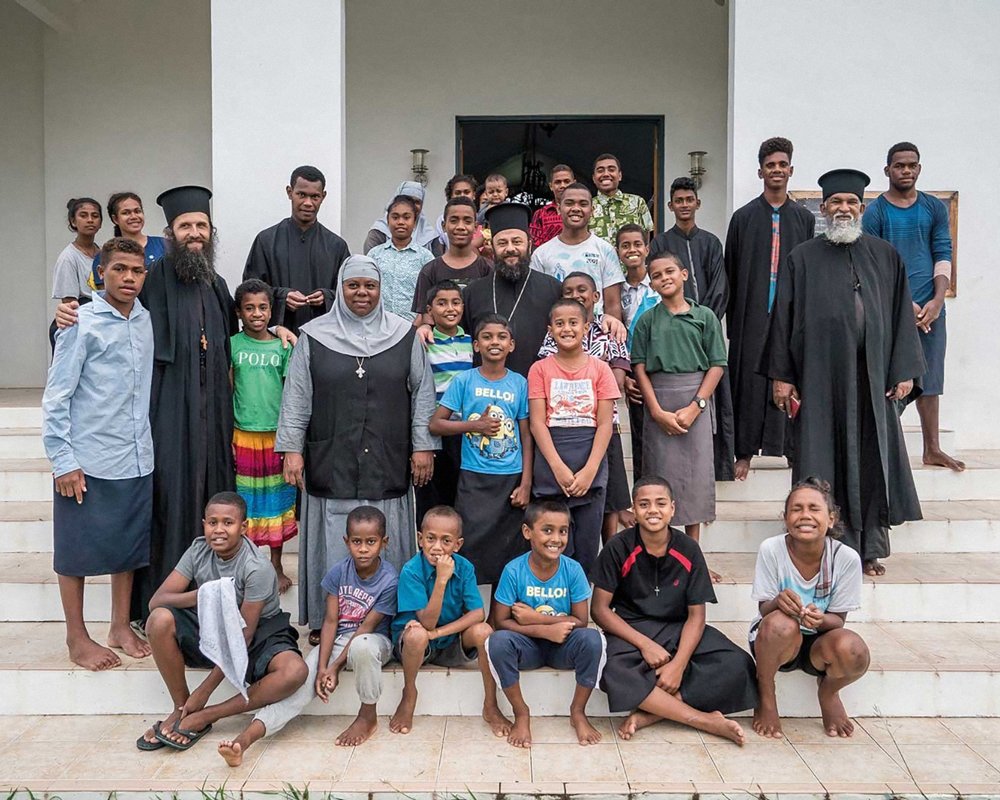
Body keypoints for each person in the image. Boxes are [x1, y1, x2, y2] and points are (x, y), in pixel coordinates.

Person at [53, 185, 294, 626]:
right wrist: (65, 315)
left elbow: (243, 331)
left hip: (216, 416)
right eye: (186, 226)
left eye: (202, 225)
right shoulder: (151, 280)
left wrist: (277, 329)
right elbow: (107, 312)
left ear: (211, 232)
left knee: (213, 499)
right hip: (166, 415)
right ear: (172, 232)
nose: (195, 233)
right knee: (169, 501)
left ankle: (217, 598)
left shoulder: (218, 285)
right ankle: (159, 603)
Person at [765, 168, 925, 577]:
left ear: (862, 208)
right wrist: (782, 375)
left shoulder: (885, 256)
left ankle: (867, 548)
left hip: (871, 383)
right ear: (823, 208)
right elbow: (783, 317)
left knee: (870, 462)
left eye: (851, 202)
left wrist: (904, 370)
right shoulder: (802, 258)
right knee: (821, 460)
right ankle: (819, 547)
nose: (843, 208)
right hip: (820, 380)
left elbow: (900, 318)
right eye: (836, 202)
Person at [277, 255, 438, 642]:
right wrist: (292, 450)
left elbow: (423, 393)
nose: (362, 293)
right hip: (332, 456)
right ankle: (325, 620)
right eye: (353, 285)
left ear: (380, 290)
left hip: (389, 455)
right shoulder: (314, 336)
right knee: (335, 541)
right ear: (341, 289)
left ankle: (388, 619)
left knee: (386, 539)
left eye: (370, 286)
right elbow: (297, 396)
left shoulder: (403, 335)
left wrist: (423, 446)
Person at [42, 238, 153, 670]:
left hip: (136, 454)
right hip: (87, 458)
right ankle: (76, 637)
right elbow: (56, 397)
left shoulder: (145, 320)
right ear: (99, 273)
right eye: (119, 269)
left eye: (137, 271)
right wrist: (63, 460)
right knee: (77, 550)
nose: (128, 278)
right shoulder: (80, 323)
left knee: (126, 545)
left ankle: (120, 624)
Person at [217, 505, 399, 765]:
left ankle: (367, 716)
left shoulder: (389, 579)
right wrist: (323, 666)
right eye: (357, 542)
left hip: (374, 644)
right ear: (346, 542)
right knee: (302, 685)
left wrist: (334, 667)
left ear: (384, 543)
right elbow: (330, 621)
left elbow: (366, 628)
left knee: (362, 645)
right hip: (338, 642)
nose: (363, 549)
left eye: (371, 542)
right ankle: (244, 741)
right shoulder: (339, 572)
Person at [590, 477, 758, 745]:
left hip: (678, 628)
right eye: (644, 504)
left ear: (672, 508)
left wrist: (678, 665)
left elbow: (697, 616)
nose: (652, 510)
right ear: (633, 509)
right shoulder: (618, 547)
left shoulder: (689, 549)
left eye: (660, 504)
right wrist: (645, 645)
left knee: (738, 664)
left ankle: (650, 715)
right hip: (632, 631)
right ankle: (703, 720)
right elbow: (599, 610)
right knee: (611, 670)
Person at [136, 492, 306, 752]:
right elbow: (157, 601)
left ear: (244, 527)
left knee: (295, 671)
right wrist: (207, 593)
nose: (219, 530)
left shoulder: (256, 567)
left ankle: (207, 715)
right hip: (211, 622)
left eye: (228, 523)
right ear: (204, 524)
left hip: (257, 632)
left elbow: (242, 637)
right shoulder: (198, 549)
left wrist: (204, 692)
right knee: (158, 620)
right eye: (212, 522)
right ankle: (182, 707)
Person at [863, 142, 962, 472]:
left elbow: (943, 254)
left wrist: (936, 301)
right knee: (892, 378)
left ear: (919, 168)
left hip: (932, 311)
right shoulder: (876, 211)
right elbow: (873, 263)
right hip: (891, 308)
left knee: (930, 377)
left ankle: (932, 448)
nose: (906, 170)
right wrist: (905, 305)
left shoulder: (933, 208)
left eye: (912, 165)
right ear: (887, 170)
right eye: (899, 165)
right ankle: (881, 450)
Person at [631, 253, 727, 579]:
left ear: (683, 273)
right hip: (659, 402)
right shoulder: (647, 320)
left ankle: (693, 561)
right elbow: (639, 367)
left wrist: (696, 406)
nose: (664, 278)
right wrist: (655, 410)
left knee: (695, 481)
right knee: (661, 479)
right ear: (651, 282)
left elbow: (716, 364)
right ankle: (660, 558)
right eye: (656, 275)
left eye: (669, 271)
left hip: (694, 401)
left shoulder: (705, 317)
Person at [750, 478, 868, 740]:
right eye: (796, 509)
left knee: (855, 650)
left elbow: (838, 621)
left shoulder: (845, 558)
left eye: (814, 509)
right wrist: (779, 602)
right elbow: (763, 609)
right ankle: (766, 695)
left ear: (831, 518)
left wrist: (819, 620)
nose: (805, 516)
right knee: (781, 622)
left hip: (819, 643)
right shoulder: (772, 549)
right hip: (777, 641)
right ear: (785, 517)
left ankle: (828, 692)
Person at [725, 137, 815, 481]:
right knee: (747, 385)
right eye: (770, 165)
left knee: (791, 381)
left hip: (790, 318)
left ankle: (793, 452)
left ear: (791, 170)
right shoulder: (743, 217)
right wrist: (734, 324)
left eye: (782, 165)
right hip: (751, 317)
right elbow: (730, 271)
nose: (776, 170)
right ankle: (744, 453)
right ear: (760, 171)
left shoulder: (803, 219)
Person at [487, 500, 605, 748]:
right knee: (497, 642)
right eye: (547, 530)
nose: (557, 538)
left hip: (562, 646)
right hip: (527, 646)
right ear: (528, 532)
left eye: (563, 531)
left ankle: (578, 711)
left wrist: (537, 618)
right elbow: (500, 621)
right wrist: (543, 630)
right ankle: (521, 713)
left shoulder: (573, 570)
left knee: (592, 639)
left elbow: (581, 620)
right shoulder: (513, 570)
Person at [389, 505, 510, 737]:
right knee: (417, 634)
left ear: (458, 545)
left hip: (447, 641)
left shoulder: (464, 568)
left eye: (446, 541)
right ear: (420, 539)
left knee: (484, 631)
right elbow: (427, 624)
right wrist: (442, 580)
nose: (437, 547)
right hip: (415, 648)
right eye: (431, 539)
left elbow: (477, 613)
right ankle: (409, 693)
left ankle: (491, 704)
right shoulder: (411, 570)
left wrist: (439, 634)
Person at [429, 314, 532, 586]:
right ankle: (469, 615)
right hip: (473, 478)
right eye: (487, 337)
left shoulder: (520, 383)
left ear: (512, 345)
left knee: (509, 554)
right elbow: (436, 423)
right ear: (476, 345)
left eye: (501, 337)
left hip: (510, 478)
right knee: (468, 549)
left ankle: (497, 622)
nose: (494, 342)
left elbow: (525, 434)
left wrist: (526, 482)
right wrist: (475, 426)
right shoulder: (464, 381)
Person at [650, 177, 735, 482]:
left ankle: (717, 467)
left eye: (689, 199)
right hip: (671, 333)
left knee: (715, 398)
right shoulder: (660, 243)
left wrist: (702, 322)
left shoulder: (710, 242)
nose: (684, 205)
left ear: (697, 203)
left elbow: (720, 286)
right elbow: (658, 283)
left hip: (704, 330)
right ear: (671, 206)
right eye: (679, 201)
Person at [537, 273, 632, 542]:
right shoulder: (549, 347)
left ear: (596, 296)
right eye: (569, 291)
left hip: (603, 423)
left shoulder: (611, 330)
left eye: (582, 290)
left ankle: (607, 551)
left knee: (608, 494)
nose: (576, 295)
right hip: (562, 430)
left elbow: (618, 375)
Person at [528, 298, 620, 574]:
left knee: (586, 544)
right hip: (551, 465)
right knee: (551, 542)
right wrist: (557, 467)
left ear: (586, 327)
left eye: (573, 323)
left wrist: (589, 470)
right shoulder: (539, 369)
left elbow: (605, 424)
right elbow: (537, 423)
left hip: (589, 462)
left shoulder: (600, 369)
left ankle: (579, 611)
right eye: (559, 324)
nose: (566, 329)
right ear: (550, 329)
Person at [230, 278, 298, 593]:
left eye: (263, 307)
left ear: (272, 310)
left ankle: (275, 563)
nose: (257, 314)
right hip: (243, 435)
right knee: (249, 501)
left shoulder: (282, 346)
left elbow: (290, 394)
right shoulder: (232, 345)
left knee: (276, 501)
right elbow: (228, 388)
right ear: (239, 312)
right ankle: (246, 564)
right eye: (249, 308)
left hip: (276, 438)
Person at [243, 165, 351, 334]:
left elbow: (349, 293)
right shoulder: (266, 241)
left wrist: (326, 296)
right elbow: (249, 290)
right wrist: (282, 296)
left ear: (323, 197)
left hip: (324, 340)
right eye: (301, 195)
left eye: (315, 196)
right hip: (275, 340)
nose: (308, 203)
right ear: (289, 192)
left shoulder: (337, 246)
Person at [462, 203, 562, 376]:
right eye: (502, 243)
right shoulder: (472, 292)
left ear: (529, 245)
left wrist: (607, 318)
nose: (510, 249)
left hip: (540, 390)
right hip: (485, 391)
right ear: (492, 247)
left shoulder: (553, 289)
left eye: (517, 242)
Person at [416, 280, 475, 523]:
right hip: (435, 431)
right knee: (432, 500)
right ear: (430, 310)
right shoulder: (424, 342)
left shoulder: (472, 342)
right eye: (441, 303)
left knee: (460, 499)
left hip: (466, 432)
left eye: (455, 302)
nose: (450, 309)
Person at [531, 183, 624, 320]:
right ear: (558, 208)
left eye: (583, 204)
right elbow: (537, 304)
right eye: (569, 203)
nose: (576, 208)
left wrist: (611, 339)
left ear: (592, 210)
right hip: (558, 336)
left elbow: (613, 305)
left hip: (595, 336)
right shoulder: (541, 254)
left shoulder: (606, 250)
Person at [616, 224, 659, 480]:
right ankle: (641, 490)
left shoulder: (657, 286)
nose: (632, 250)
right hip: (629, 369)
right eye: (625, 245)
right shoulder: (615, 289)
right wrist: (627, 374)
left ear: (647, 248)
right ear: (618, 251)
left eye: (637, 244)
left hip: (657, 368)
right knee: (640, 434)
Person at [411, 197, 493, 325]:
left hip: (479, 343)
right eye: (454, 221)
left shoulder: (488, 269)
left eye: (467, 221)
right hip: (440, 344)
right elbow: (426, 318)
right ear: (444, 226)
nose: (461, 227)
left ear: (476, 227)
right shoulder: (429, 271)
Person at [368, 194, 435, 322]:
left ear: (414, 222)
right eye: (395, 217)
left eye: (406, 217)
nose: (400, 222)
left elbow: (431, 295)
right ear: (388, 221)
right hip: (378, 325)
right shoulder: (374, 255)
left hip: (413, 327)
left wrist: (420, 323)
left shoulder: (425, 257)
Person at [88, 192, 167, 289]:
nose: (134, 216)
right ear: (115, 219)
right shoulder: (105, 255)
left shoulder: (165, 245)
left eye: (137, 211)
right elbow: (105, 295)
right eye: (126, 213)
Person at [588, 153, 654, 247]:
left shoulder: (637, 202)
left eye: (611, 169)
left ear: (620, 176)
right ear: (594, 178)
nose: (606, 174)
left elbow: (646, 239)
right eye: (600, 170)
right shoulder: (587, 206)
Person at [363, 180, 443, 256]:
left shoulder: (430, 235)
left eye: (417, 202)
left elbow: (437, 265)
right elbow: (369, 264)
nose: (412, 205)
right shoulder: (379, 232)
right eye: (407, 200)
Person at [52, 197, 102, 305]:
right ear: (73, 221)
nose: (90, 220)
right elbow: (69, 303)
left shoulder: (104, 254)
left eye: (95, 216)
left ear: (100, 223)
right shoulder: (68, 258)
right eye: (83, 216)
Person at [434, 174, 486, 253]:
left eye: (466, 192)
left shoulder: (483, 218)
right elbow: (440, 248)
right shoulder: (442, 219)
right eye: (458, 193)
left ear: (474, 195)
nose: (462, 196)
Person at [529, 164, 575, 248]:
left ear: (574, 184)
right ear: (551, 186)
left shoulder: (583, 211)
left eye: (567, 181)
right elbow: (534, 245)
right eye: (558, 182)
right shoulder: (540, 214)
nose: (562, 186)